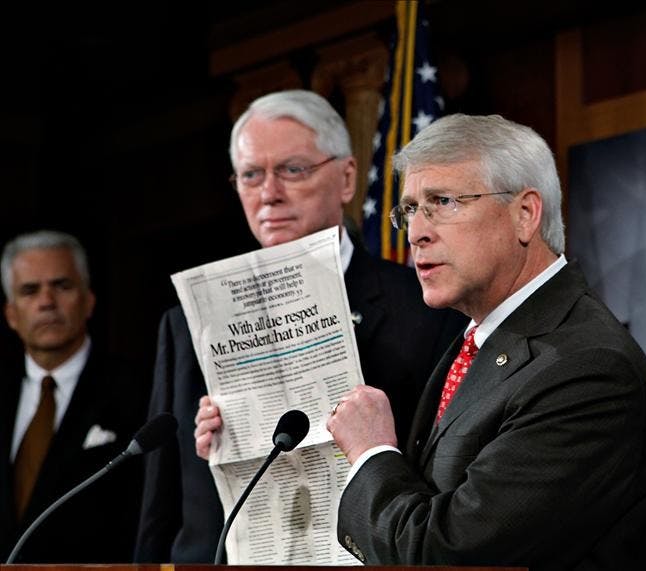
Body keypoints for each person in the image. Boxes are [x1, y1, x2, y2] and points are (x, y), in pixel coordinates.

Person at [198, 113, 646, 567]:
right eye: (410, 210)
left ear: (525, 214)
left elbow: (448, 552)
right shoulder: (481, 339)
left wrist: (372, 453)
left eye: (444, 202)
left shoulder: (585, 367)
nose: (417, 233)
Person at [135, 89, 466, 563]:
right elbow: (160, 499)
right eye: (251, 175)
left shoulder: (425, 305)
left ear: (348, 177)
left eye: (293, 170)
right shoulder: (189, 321)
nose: (269, 193)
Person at [0, 230, 147, 563]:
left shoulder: (138, 390)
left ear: (89, 300)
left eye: (61, 286)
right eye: (29, 290)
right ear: (11, 313)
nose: (46, 301)